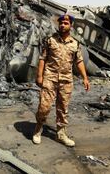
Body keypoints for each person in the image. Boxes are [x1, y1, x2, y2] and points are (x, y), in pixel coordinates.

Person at [32, 14, 90, 147]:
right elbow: (42, 58)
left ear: (71, 26)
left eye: (66, 23)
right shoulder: (50, 40)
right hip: (50, 78)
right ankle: (38, 129)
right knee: (44, 107)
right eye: (61, 23)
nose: (63, 25)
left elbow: (79, 61)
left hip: (66, 80)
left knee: (63, 108)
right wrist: (39, 76)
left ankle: (61, 134)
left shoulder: (75, 44)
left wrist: (85, 78)